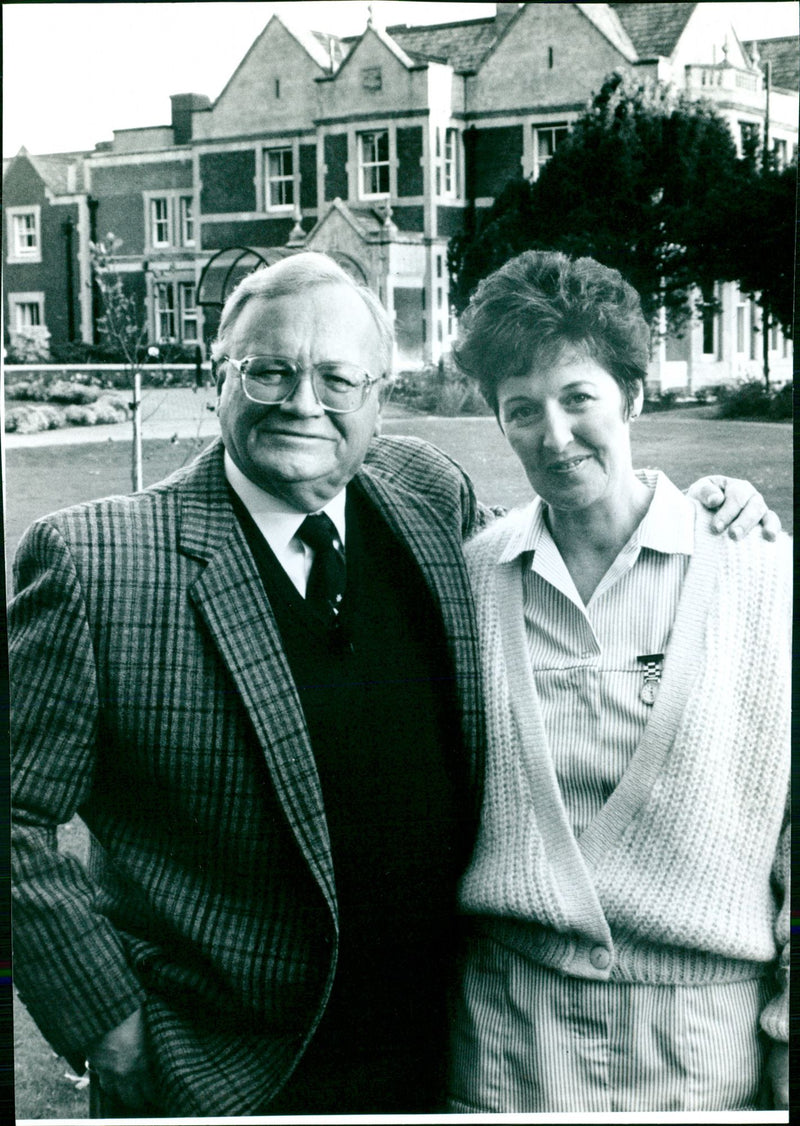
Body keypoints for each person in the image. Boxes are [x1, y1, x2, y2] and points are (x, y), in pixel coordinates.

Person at [9, 251, 779, 1118]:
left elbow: (581, 547)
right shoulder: (101, 560)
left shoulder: (426, 499)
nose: (303, 403)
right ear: (218, 376)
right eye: (268, 371)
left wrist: (711, 513)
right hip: (223, 1073)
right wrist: (104, 1022)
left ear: (379, 394)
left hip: (444, 1054)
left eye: (339, 378)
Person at [447, 250, 790, 1114]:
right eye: (521, 411)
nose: (553, 437)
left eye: (578, 399)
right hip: (507, 1046)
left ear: (632, 396)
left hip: (701, 1050)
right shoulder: (475, 576)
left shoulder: (758, 571)